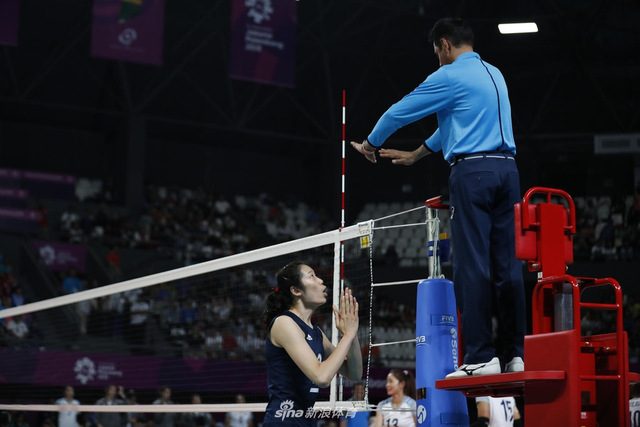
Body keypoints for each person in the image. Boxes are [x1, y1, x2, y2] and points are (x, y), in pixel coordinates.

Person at [351, 17, 525, 378]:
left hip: (473, 174)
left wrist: (370, 144)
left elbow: (399, 111)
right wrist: (418, 154)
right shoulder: (494, 74)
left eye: (436, 53)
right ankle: (515, 355)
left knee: (472, 265)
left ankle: (481, 356)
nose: (437, 59)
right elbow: (456, 124)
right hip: (508, 173)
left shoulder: (449, 75)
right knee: (507, 267)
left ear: (444, 45)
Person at [262, 262, 362, 426]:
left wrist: (351, 332)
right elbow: (321, 377)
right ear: (296, 290)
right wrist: (348, 335)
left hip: (307, 421)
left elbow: (354, 373)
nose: (321, 281)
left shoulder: (316, 332)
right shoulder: (284, 323)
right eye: (312, 276)